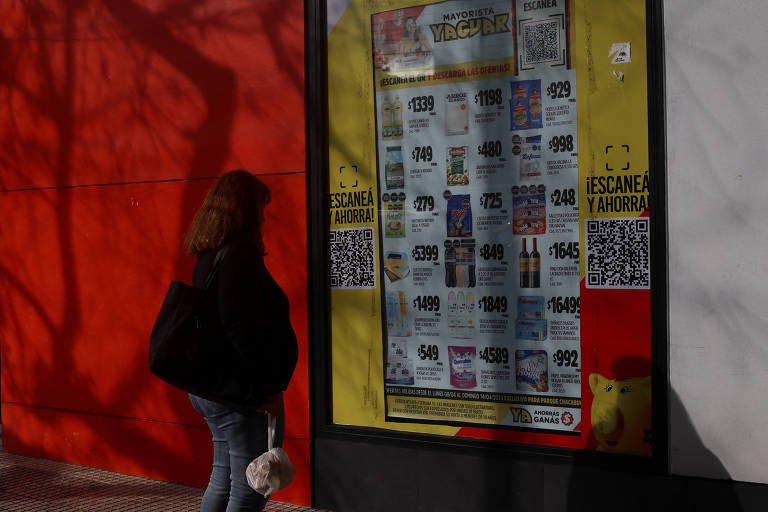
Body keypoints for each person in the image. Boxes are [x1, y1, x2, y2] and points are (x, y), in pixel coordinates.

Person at [183, 170, 298, 512]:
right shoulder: (238, 255)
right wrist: (263, 388)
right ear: (244, 208)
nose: (264, 215)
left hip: (215, 388)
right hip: (239, 391)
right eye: (261, 206)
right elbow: (238, 327)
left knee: (224, 480)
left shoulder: (211, 255)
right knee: (250, 489)